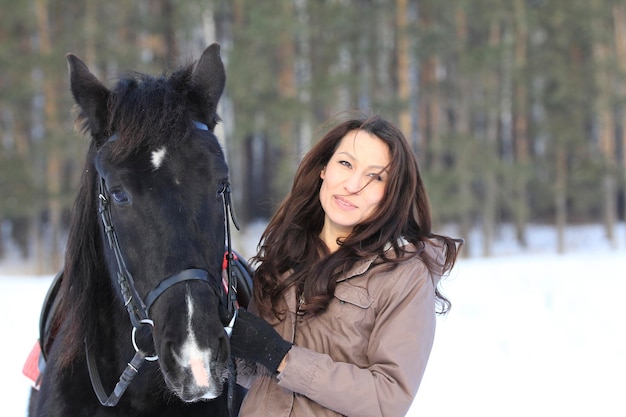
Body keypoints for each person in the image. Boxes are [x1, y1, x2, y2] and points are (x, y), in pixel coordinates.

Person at [225, 114, 462, 417]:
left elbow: (387, 399)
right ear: (324, 168)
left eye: (375, 177)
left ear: (391, 194)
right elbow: (256, 376)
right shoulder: (284, 256)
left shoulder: (404, 275)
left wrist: (284, 358)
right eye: (346, 164)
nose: (353, 185)